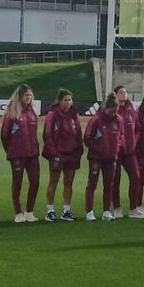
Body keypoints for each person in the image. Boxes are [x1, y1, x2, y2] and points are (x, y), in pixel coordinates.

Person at [1, 84, 41, 223]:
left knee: (35, 182)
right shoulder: (12, 113)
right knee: (17, 184)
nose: (29, 98)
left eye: (30, 95)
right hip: (17, 154)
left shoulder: (33, 113)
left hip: (32, 154)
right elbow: (4, 135)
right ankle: (18, 213)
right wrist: (11, 150)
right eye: (26, 95)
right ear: (20, 96)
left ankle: (29, 212)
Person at [42, 89, 83, 222]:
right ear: (59, 101)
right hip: (58, 154)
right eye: (65, 100)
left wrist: (78, 150)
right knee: (53, 181)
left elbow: (78, 133)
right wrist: (54, 153)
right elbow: (47, 135)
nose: (67, 102)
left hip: (71, 154)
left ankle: (66, 210)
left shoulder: (73, 115)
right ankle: (50, 210)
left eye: (69, 100)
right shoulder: (52, 115)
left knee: (69, 182)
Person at [83, 94, 123, 221]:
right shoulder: (96, 120)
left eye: (116, 111)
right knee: (92, 183)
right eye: (112, 111)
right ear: (106, 108)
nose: (114, 113)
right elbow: (87, 138)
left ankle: (106, 211)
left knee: (109, 185)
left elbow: (120, 137)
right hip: (96, 158)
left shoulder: (119, 120)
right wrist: (99, 149)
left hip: (111, 158)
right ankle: (89, 211)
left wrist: (116, 148)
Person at [111, 85, 144, 219]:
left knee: (136, 177)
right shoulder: (112, 110)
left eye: (125, 92)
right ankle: (117, 208)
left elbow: (138, 129)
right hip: (115, 152)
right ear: (115, 94)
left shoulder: (131, 111)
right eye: (121, 92)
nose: (124, 94)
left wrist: (133, 142)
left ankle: (133, 208)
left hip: (130, 151)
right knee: (115, 180)